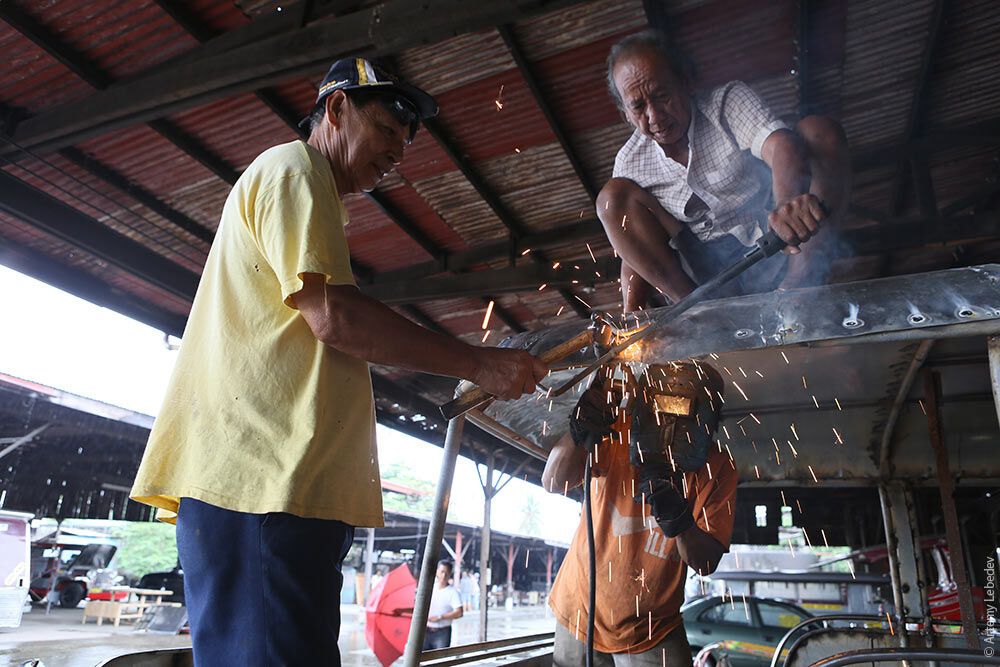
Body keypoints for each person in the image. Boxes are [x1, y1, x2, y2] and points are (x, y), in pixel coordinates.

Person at [129, 57, 546, 666]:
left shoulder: (310, 194)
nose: (399, 149)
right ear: (336, 109)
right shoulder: (293, 171)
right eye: (387, 128)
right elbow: (337, 318)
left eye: (406, 139)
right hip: (260, 483)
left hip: (274, 491)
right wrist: (477, 363)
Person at [598, 30, 852, 312]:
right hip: (705, 276)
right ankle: (695, 311)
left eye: (662, 95)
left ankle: (799, 287)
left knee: (820, 132)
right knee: (612, 198)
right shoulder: (629, 162)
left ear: (685, 82)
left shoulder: (727, 102)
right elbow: (630, 247)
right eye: (638, 106)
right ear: (625, 112)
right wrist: (630, 311)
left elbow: (781, 145)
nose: (654, 116)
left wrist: (786, 206)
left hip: (779, 243)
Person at [544, 362, 737, 666]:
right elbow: (554, 482)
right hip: (579, 610)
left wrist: (680, 521)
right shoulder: (617, 431)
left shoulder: (717, 467)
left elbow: (706, 562)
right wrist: (577, 432)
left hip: (653, 628)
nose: (671, 423)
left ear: (707, 419)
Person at [394, 560, 464, 649]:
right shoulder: (429, 588)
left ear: (450, 574)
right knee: (422, 659)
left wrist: (440, 617)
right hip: (425, 631)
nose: (444, 575)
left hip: (442, 632)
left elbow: (459, 612)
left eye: (447, 573)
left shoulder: (453, 592)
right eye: (442, 572)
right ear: (437, 572)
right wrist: (402, 611)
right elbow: (419, 609)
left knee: (438, 660)